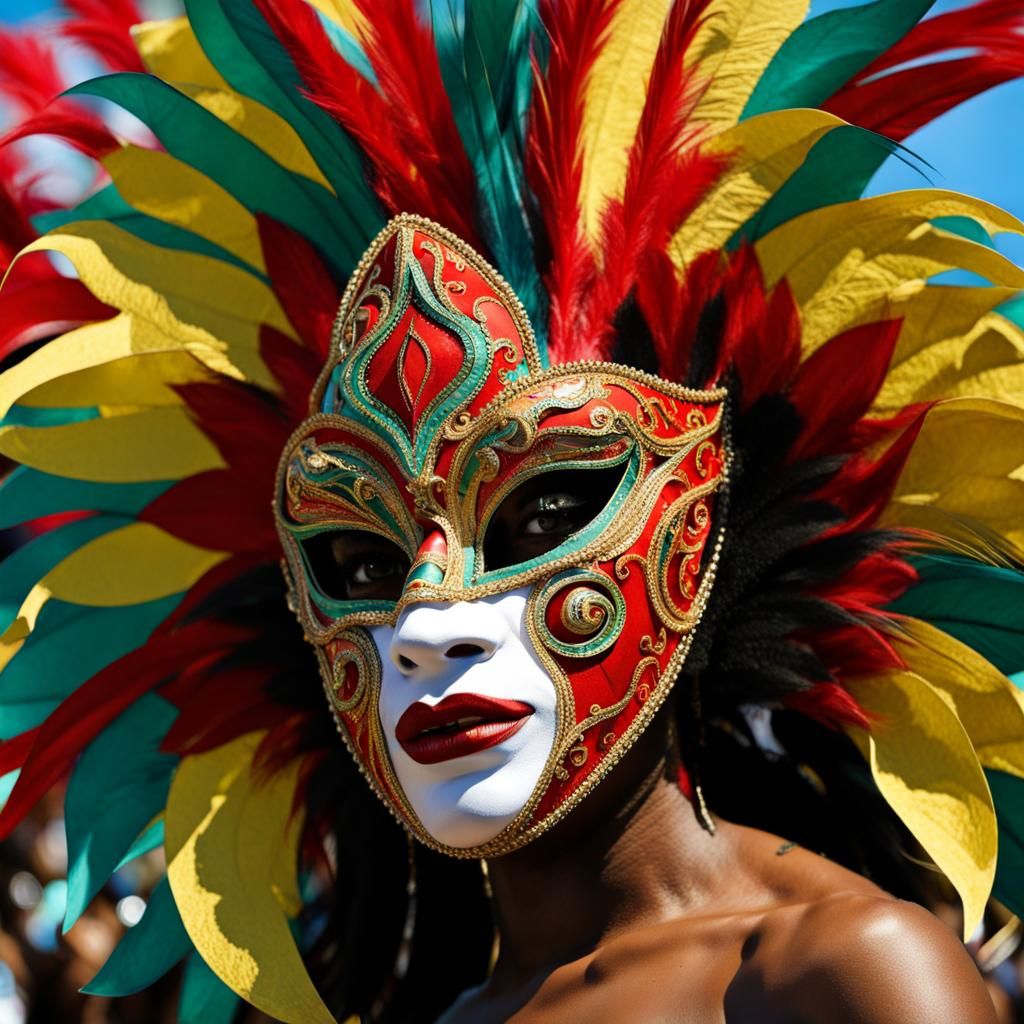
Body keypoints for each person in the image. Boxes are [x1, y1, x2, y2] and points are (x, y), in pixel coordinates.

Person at [0, 1, 1021, 1022]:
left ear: (702, 526)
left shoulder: (839, 973)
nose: (425, 629)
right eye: (361, 565)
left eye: (541, 516)